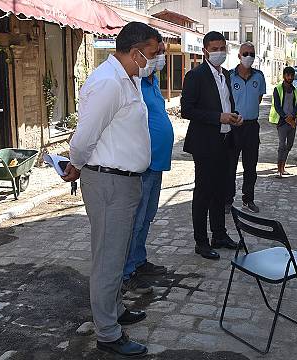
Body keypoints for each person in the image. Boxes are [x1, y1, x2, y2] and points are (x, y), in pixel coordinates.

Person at [61, 22, 160, 358]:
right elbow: (86, 134)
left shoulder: (128, 77)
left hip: (124, 180)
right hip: (109, 182)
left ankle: (114, 310)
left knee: (116, 254)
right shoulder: (108, 82)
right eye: (152, 54)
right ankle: (107, 333)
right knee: (108, 258)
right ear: (135, 53)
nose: (155, 60)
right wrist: (74, 163)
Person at [181, 31, 242, 260]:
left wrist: (234, 117)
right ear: (205, 50)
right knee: (204, 193)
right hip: (205, 144)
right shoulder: (195, 76)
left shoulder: (225, 75)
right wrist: (218, 117)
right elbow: (187, 109)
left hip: (225, 141)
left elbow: (227, 104)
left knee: (221, 191)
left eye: (222, 48)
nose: (219, 52)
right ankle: (201, 241)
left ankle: (219, 234)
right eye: (214, 48)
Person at [121, 40, 173, 295]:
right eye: (158, 53)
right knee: (136, 220)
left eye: (163, 53)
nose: (161, 57)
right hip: (142, 164)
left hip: (157, 162)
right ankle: (126, 272)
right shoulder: (135, 82)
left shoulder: (152, 82)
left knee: (147, 217)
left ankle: (139, 261)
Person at [226, 42, 266, 214]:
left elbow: (258, 98)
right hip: (233, 127)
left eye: (251, 53)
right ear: (239, 55)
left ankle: (248, 199)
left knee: (251, 166)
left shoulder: (259, 76)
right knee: (230, 165)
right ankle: (227, 200)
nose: (248, 56)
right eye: (245, 53)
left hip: (251, 127)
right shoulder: (228, 76)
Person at [270, 66, 297, 178]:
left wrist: (292, 117)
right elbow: (277, 106)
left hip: (292, 121)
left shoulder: (294, 90)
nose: (290, 77)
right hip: (282, 122)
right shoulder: (277, 89)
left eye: (292, 75)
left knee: (290, 145)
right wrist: (286, 118)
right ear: (284, 76)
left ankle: (283, 167)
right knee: (282, 145)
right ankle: (279, 169)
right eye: (288, 75)